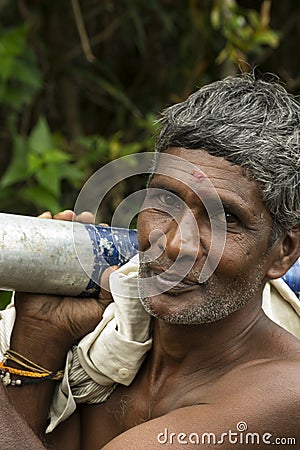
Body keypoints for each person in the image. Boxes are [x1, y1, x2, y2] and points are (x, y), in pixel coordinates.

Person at [2, 72, 300, 449]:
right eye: (164, 201)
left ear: (284, 251)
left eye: (226, 219)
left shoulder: (287, 394)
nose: (175, 244)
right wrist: (39, 338)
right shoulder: (100, 359)